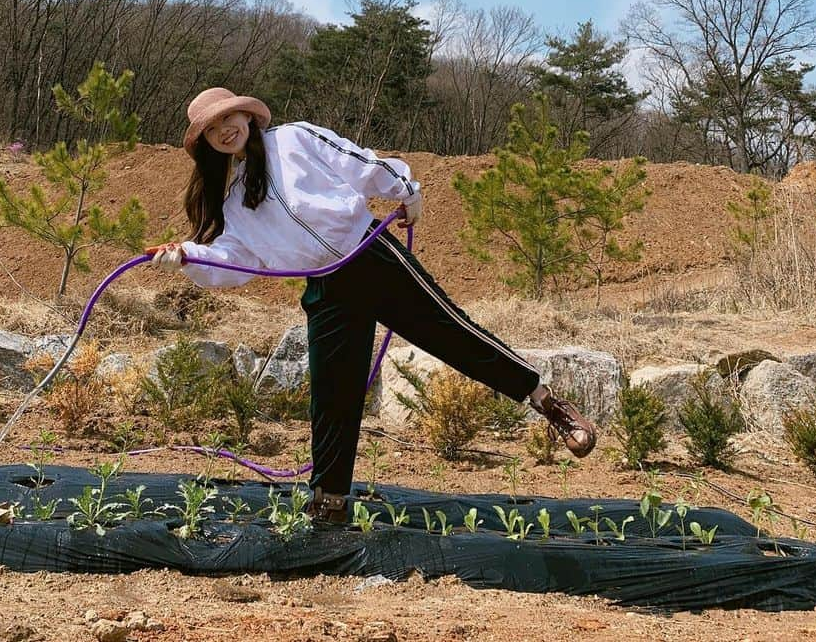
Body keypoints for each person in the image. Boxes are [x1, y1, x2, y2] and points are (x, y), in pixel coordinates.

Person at [146, 87, 596, 524]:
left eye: (229, 118)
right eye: (212, 129)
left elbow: (357, 162)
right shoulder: (237, 201)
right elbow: (235, 260)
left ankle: (546, 402)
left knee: (452, 333)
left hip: (368, 254)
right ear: (205, 143)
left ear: (247, 116)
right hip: (325, 286)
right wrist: (186, 257)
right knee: (331, 395)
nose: (225, 130)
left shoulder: (295, 139)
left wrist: (406, 190)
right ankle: (329, 503)